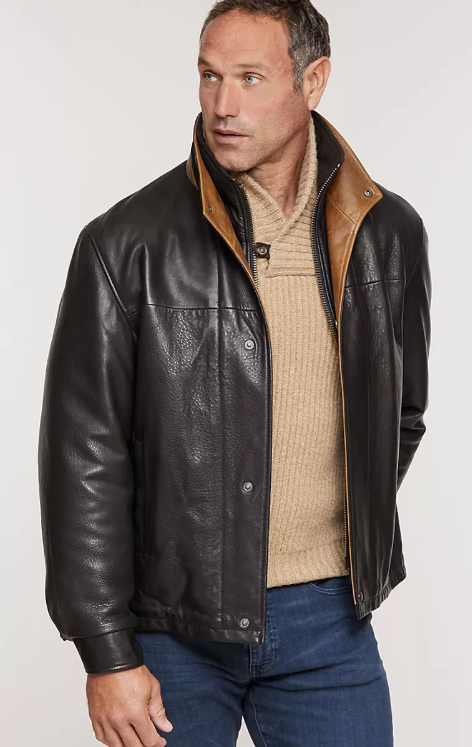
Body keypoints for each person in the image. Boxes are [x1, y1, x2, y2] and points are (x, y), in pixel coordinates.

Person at [38, 1, 432, 745]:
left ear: (312, 81)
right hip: (170, 629)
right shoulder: (126, 243)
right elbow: (83, 454)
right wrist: (106, 651)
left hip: (330, 622)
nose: (223, 105)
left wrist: (335, 526)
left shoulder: (389, 234)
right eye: (210, 75)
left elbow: (401, 413)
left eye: (250, 78)